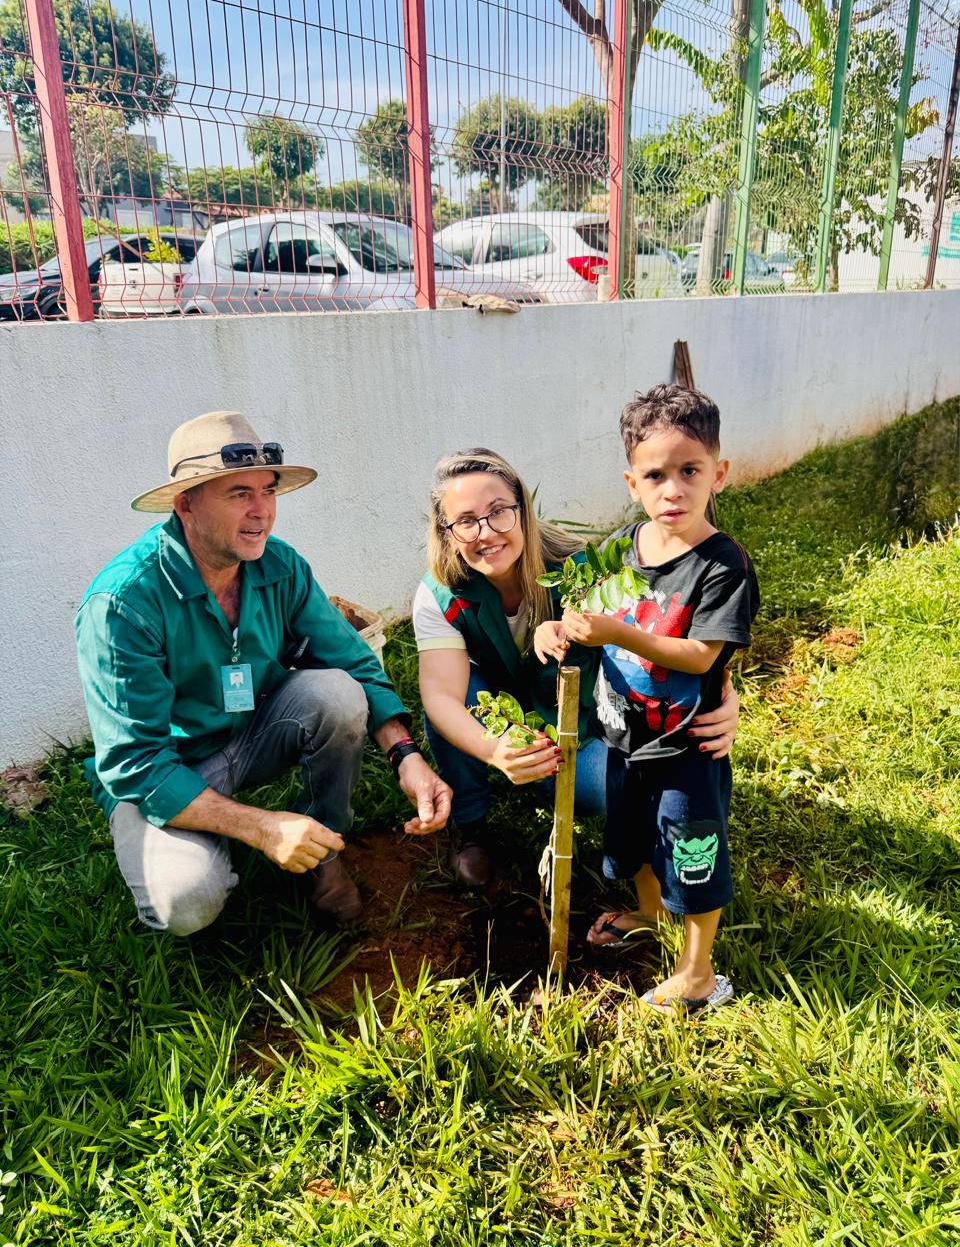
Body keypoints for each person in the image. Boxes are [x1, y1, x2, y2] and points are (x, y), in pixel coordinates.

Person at [75, 411, 451, 937]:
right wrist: (261, 826)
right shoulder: (123, 603)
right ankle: (208, 846)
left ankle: (321, 847)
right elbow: (135, 763)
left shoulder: (280, 566)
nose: (262, 513)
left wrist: (404, 753)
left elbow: (353, 660)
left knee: (338, 694)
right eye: (238, 495)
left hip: (249, 734)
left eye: (268, 491)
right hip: (167, 768)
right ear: (186, 503)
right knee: (188, 902)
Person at [415, 448, 740, 887]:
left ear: (523, 510)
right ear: (447, 532)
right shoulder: (440, 592)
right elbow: (438, 695)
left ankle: (545, 776)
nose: (486, 532)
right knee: (452, 701)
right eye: (466, 521)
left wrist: (721, 690)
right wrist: (495, 750)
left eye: (499, 512)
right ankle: (471, 827)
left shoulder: (579, 569)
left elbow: (663, 636)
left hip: (580, 721)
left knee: (610, 792)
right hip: (497, 705)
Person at [536, 385, 759, 1013]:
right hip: (622, 738)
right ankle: (647, 913)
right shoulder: (617, 549)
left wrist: (617, 633)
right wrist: (555, 628)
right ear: (632, 483)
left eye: (690, 471)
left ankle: (697, 972)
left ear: (718, 473)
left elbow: (701, 655)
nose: (673, 490)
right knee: (631, 839)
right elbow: (581, 607)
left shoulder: (722, 567)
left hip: (687, 744)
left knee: (691, 852)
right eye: (655, 475)